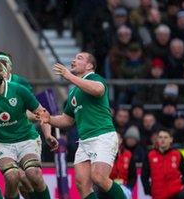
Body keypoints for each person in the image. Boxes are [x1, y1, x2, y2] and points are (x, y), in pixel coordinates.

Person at [42, 53, 127, 199]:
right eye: (74, 57)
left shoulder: (94, 78)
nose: (74, 60)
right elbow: (67, 120)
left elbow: (98, 90)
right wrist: (49, 118)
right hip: (85, 141)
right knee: (82, 184)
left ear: (89, 66)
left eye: (79, 58)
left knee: (99, 177)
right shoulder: (73, 91)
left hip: (103, 136)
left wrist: (69, 77)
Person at [0, 61, 56, 199]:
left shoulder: (19, 89)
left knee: (33, 174)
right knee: (12, 177)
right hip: (2, 143)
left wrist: (48, 135)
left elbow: (42, 112)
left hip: (27, 139)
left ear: (2, 74)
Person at [141, 129, 184, 199]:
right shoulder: (150, 155)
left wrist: (180, 183)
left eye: (165, 137)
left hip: (175, 192)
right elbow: (144, 176)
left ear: (171, 140)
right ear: (157, 140)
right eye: (160, 137)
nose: (162, 140)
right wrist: (148, 190)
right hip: (159, 194)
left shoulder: (177, 154)